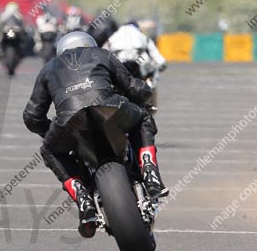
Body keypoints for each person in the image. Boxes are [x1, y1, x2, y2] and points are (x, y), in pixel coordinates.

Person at [22, 31, 167, 238]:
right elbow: (132, 86)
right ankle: (150, 172)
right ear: (89, 45)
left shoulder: (48, 68)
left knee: (49, 151)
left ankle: (82, 197)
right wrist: (146, 93)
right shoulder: (102, 54)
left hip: (70, 120)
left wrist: (54, 136)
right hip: (109, 108)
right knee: (143, 118)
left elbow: (32, 116)